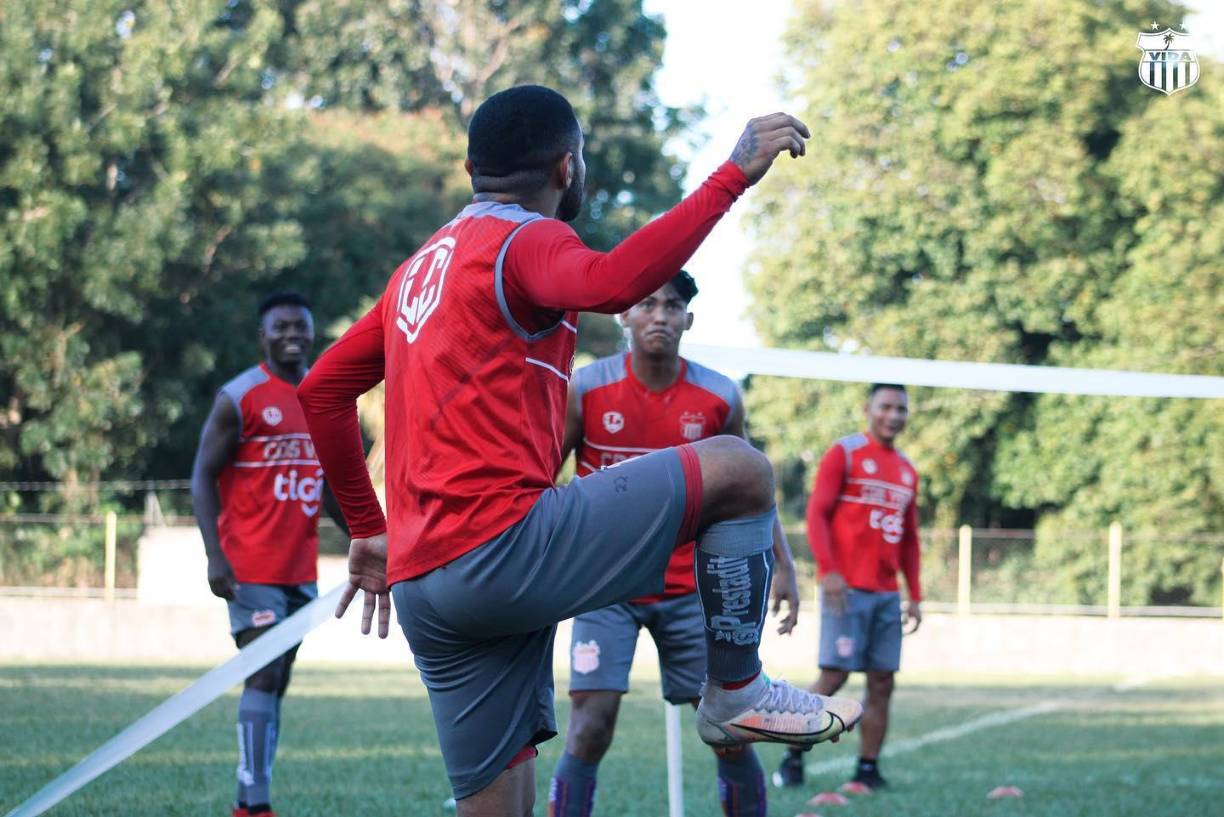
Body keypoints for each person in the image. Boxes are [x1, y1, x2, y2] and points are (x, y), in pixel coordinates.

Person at [297, 85, 862, 817]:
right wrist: (731, 175)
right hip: (502, 550)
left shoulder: (418, 270)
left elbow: (321, 390)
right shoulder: (524, 238)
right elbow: (613, 281)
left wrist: (368, 528)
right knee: (741, 469)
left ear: (471, 168)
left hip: (425, 586)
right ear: (567, 167)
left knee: (499, 803)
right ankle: (735, 691)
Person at [549, 270, 802, 817]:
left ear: (688, 319)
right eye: (646, 304)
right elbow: (546, 478)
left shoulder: (718, 395)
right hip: (604, 588)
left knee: (734, 730)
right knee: (589, 728)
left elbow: (750, 485)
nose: (659, 316)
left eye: (671, 306)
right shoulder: (586, 388)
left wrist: (784, 564)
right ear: (625, 314)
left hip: (692, 591)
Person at [191, 291, 347, 817]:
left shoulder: (324, 395)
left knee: (277, 681)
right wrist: (215, 555)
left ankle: (251, 795)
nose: (292, 335)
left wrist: (365, 537)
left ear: (312, 332)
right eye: (281, 327)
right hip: (249, 567)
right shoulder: (239, 397)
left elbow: (331, 485)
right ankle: (253, 805)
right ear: (263, 336)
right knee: (263, 673)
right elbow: (201, 476)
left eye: (300, 326)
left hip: (300, 570)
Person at [773, 383, 922, 792]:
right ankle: (792, 756)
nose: (893, 415)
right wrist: (829, 570)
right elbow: (817, 514)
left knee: (882, 681)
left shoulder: (907, 469)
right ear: (868, 409)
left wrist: (915, 595)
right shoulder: (845, 453)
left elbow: (910, 539)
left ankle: (868, 769)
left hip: (886, 594)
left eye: (901, 408)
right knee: (834, 676)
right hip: (846, 589)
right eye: (886, 406)